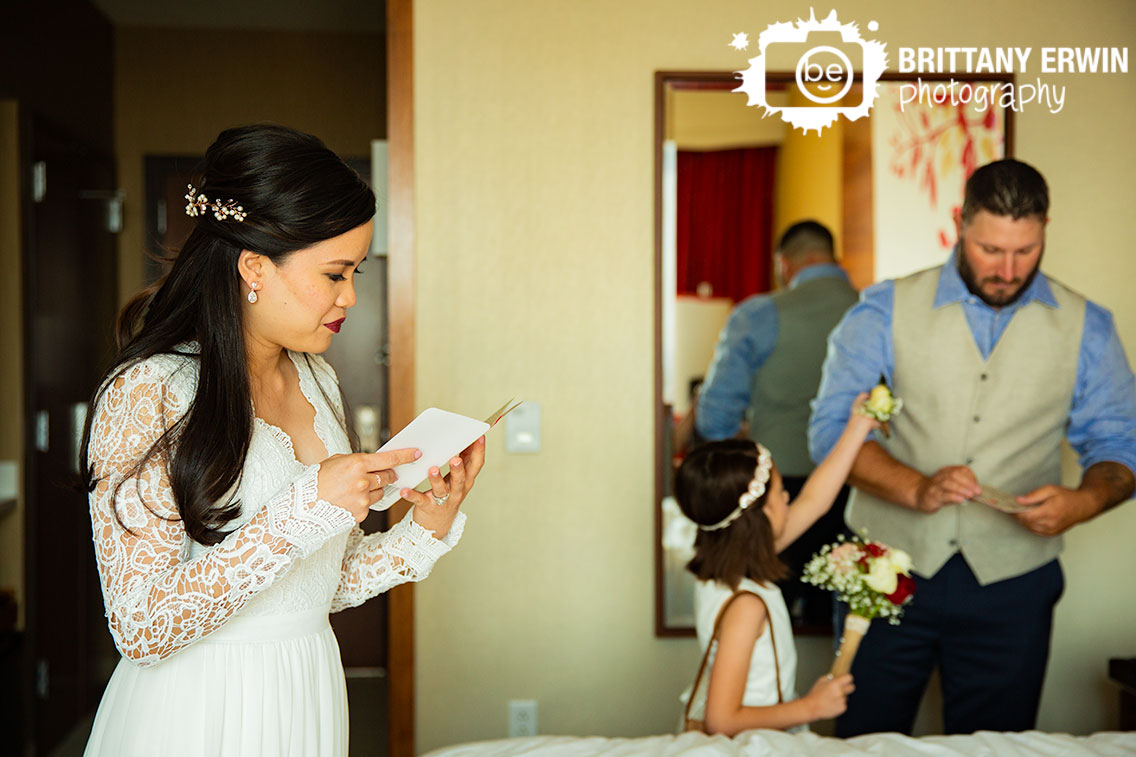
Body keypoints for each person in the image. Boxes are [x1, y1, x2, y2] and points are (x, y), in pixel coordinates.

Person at [79, 124, 484, 756]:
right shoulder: (148, 393)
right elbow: (140, 626)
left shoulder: (317, 379)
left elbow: (317, 581)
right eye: (334, 273)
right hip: (198, 709)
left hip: (307, 690)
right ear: (254, 267)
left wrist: (424, 527)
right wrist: (304, 508)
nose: (350, 295)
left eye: (355, 271)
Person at [808, 158, 1136, 736]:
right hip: (884, 566)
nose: (1008, 271)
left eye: (1025, 251)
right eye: (990, 250)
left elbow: (1121, 447)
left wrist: (1083, 502)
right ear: (960, 222)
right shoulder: (883, 310)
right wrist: (916, 485)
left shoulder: (1090, 328)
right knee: (863, 742)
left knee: (997, 749)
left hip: (1013, 586)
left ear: (1045, 230)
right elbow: (831, 431)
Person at [676, 395, 877, 735]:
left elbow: (815, 501)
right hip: (755, 743)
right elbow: (721, 720)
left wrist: (857, 427)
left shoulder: (724, 571)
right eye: (781, 493)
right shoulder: (746, 606)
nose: (788, 499)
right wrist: (812, 707)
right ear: (761, 519)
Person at [694, 220, 859, 627]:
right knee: (843, 612)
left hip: (773, 492)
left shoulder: (760, 314)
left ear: (784, 264)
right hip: (860, 488)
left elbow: (714, 419)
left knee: (764, 616)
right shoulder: (874, 308)